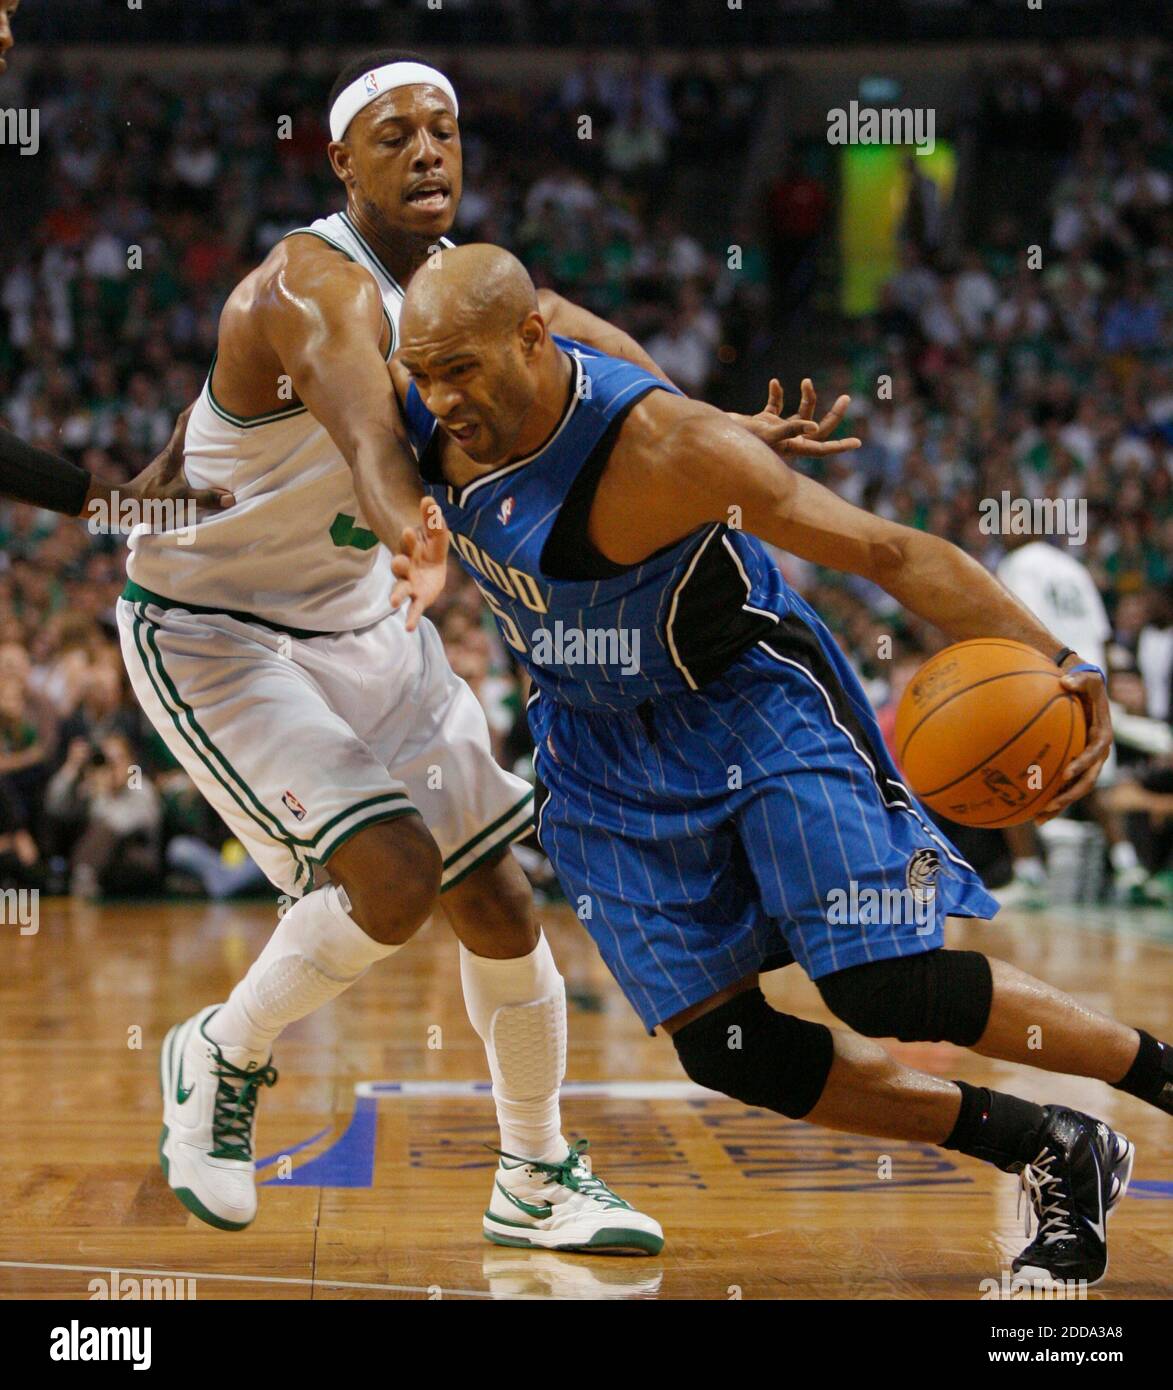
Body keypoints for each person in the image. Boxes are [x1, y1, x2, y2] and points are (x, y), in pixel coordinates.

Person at [389, 244, 1173, 1288]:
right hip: (592, 738)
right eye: (422, 371)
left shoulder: (669, 452)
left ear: (530, 343)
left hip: (747, 698)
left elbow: (891, 554)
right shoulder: (420, 395)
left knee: (887, 982)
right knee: (730, 1051)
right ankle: (1051, 1145)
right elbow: (550, 309)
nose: (437, 397)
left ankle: (1159, 1073)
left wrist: (1070, 661)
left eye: (460, 370)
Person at [111, 52, 668, 1253]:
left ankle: (534, 1176)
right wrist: (418, 527)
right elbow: (368, 429)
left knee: (501, 903)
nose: (428, 151)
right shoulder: (307, 288)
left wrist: (718, 434)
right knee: (395, 878)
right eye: (396, 133)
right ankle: (221, 1052)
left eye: (445, 131)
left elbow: (599, 356)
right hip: (220, 631)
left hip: (362, 617)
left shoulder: (462, 285)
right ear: (341, 162)